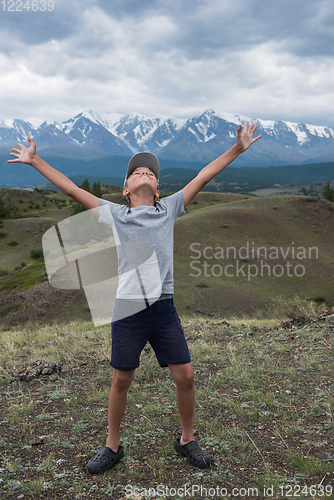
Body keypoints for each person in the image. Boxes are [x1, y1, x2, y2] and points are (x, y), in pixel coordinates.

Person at [8, 121, 261, 473]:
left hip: (163, 307)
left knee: (185, 376)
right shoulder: (115, 214)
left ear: (157, 190)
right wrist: (36, 162)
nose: (145, 173)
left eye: (151, 173)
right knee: (121, 379)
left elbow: (203, 176)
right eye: (137, 172)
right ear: (125, 190)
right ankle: (112, 446)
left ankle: (187, 439)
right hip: (128, 307)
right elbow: (71, 190)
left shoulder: (169, 209)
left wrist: (237, 149)